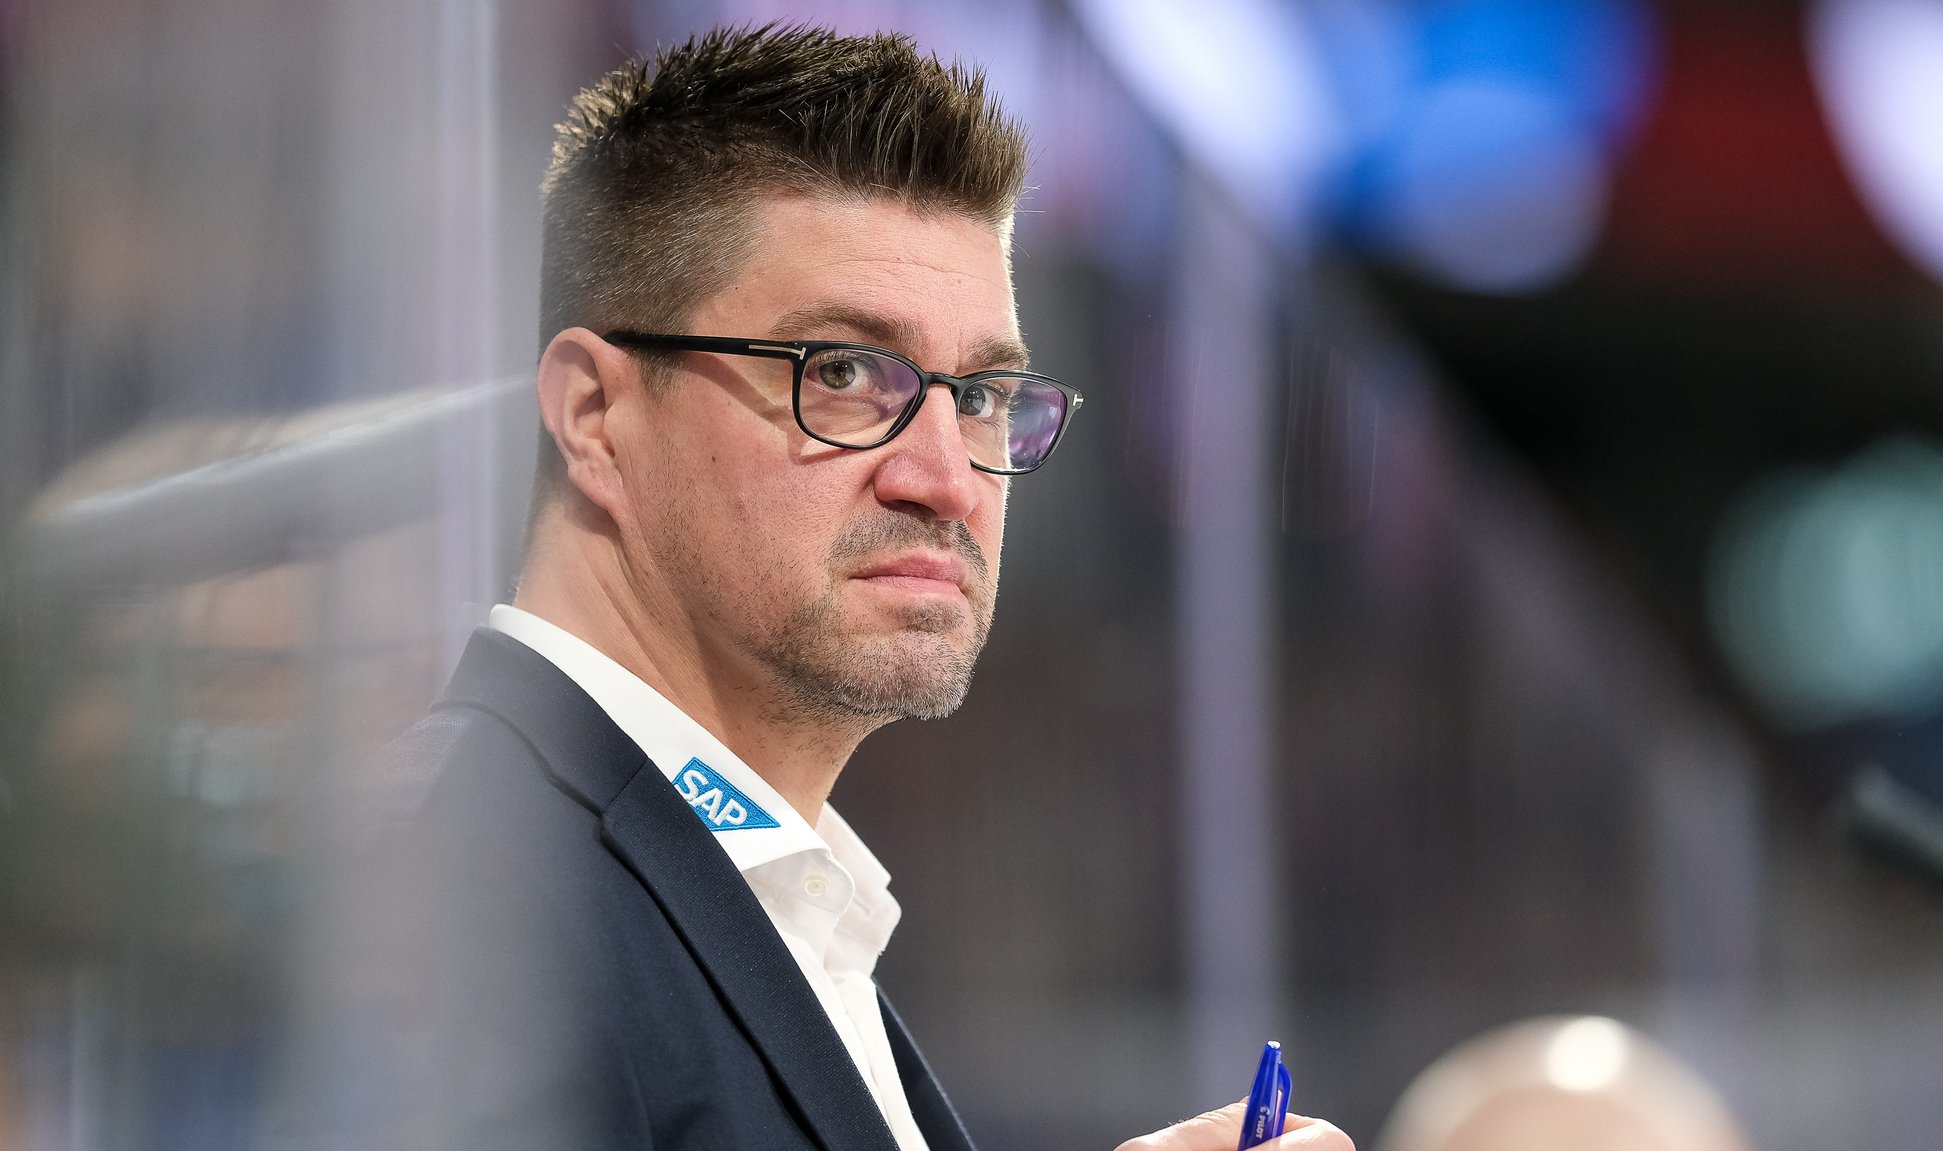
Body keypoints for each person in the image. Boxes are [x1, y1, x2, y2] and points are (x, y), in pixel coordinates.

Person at [388, 25, 1353, 1151]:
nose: (945, 478)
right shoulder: (463, 884)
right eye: (841, 372)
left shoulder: (747, 893)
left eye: (983, 394)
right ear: (597, 415)